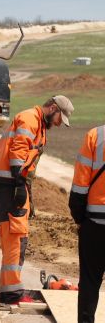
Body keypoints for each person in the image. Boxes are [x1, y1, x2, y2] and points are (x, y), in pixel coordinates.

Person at [0, 95, 73, 305]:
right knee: (15, 238)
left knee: (16, 239)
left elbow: (27, 162)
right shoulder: (30, 119)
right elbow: (18, 153)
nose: (59, 124)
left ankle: (10, 291)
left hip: (13, 183)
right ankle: (11, 294)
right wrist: (18, 184)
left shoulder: (39, 124)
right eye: (60, 118)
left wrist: (26, 191)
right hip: (10, 184)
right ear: (53, 108)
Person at [69, 125, 105, 322]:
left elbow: (80, 184)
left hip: (95, 222)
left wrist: (79, 217)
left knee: (90, 281)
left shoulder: (95, 136)